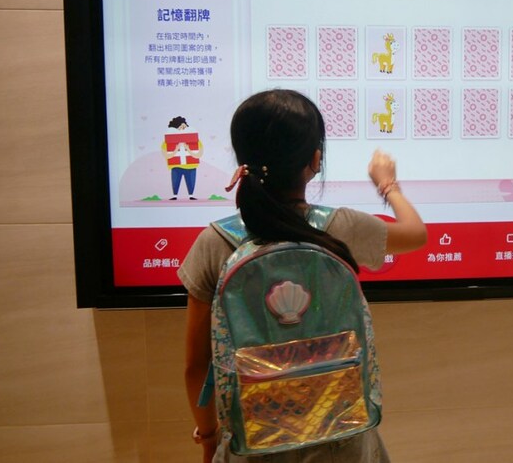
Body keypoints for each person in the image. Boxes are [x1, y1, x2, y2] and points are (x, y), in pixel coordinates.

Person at [178, 90, 427, 463]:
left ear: (243, 160)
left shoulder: (214, 242)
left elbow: (196, 366)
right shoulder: (340, 227)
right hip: (344, 442)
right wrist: (387, 184)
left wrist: (210, 436)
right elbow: (416, 234)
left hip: (254, 445)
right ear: (315, 160)